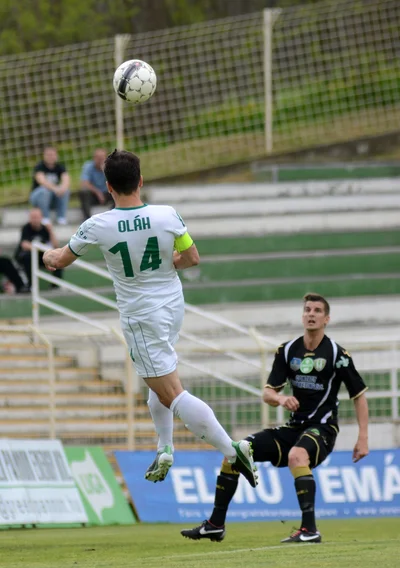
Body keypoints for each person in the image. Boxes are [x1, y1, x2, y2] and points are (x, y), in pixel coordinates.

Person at [42, 150, 257, 486]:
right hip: (172, 307)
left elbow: (60, 260)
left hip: (141, 316)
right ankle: (165, 446)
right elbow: (192, 257)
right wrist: (165, 264)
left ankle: (232, 449)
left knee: (171, 391)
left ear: (109, 187)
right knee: (156, 380)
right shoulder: (167, 215)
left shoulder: (97, 224)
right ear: (141, 181)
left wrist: (47, 253)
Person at [181, 293, 369, 544]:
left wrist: (363, 439)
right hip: (294, 428)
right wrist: (281, 399)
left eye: (317, 310)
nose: (311, 314)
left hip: (323, 429)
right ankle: (215, 524)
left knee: (297, 456)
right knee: (236, 451)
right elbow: (268, 393)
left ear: (327, 319)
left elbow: (359, 395)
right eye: (307, 310)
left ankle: (309, 530)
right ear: (303, 316)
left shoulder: (337, 354)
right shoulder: (288, 350)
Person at [15, 208, 63, 288]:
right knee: (28, 256)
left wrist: (51, 230)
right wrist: (40, 248)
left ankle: (56, 285)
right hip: (28, 257)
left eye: (36, 217)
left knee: (57, 257)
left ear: (41, 218)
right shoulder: (26, 228)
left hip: (41, 257)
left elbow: (55, 245)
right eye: (33, 217)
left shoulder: (45, 228)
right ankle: (31, 285)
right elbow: (24, 245)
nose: (35, 220)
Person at [29, 146, 70, 225]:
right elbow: (42, 181)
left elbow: (66, 179)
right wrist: (56, 189)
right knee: (44, 191)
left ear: (56, 156)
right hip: (38, 197)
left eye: (52, 155)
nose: (50, 157)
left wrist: (63, 188)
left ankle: (61, 217)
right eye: (48, 155)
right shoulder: (39, 166)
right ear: (44, 156)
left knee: (65, 191)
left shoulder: (60, 167)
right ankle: (45, 218)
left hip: (53, 197)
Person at [78, 148, 114, 220]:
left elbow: (115, 182)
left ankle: (114, 215)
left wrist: (105, 171)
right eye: (98, 158)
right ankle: (87, 219)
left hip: (108, 193)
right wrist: (98, 192)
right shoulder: (88, 166)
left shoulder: (110, 166)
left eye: (102, 158)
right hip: (93, 195)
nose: (100, 160)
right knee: (83, 192)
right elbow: (84, 183)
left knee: (118, 190)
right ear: (94, 158)